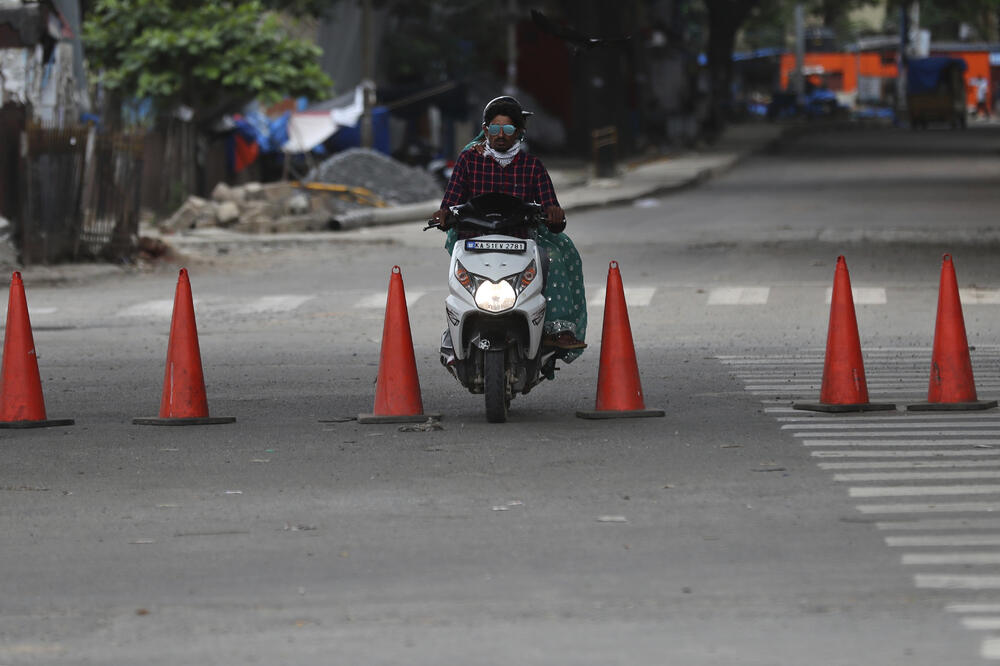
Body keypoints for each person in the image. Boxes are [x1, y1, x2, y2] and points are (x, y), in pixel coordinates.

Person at [432, 95, 587, 357]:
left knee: (556, 257)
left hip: (521, 240)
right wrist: (444, 214)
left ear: (519, 132)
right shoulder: (469, 161)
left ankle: (557, 330)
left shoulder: (532, 167)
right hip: (474, 241)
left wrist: (555, 214)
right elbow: (450, 202)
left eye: (507, 129)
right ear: (485, 131)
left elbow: (550, 206)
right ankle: (455, 332)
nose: (500, 135)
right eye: (494, 129)